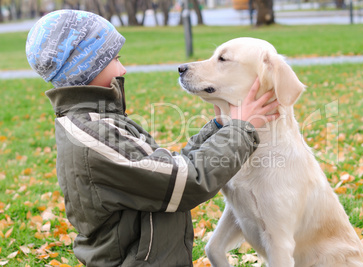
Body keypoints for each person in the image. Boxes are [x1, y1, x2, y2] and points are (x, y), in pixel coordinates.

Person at [26, 10, 279, 267]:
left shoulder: (99, 122)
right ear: (87, 66)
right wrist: (241, 129)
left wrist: (218, 127)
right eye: (114, 59)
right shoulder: (94, 138)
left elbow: (167, 167)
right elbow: (188, 182)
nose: (122, 68)